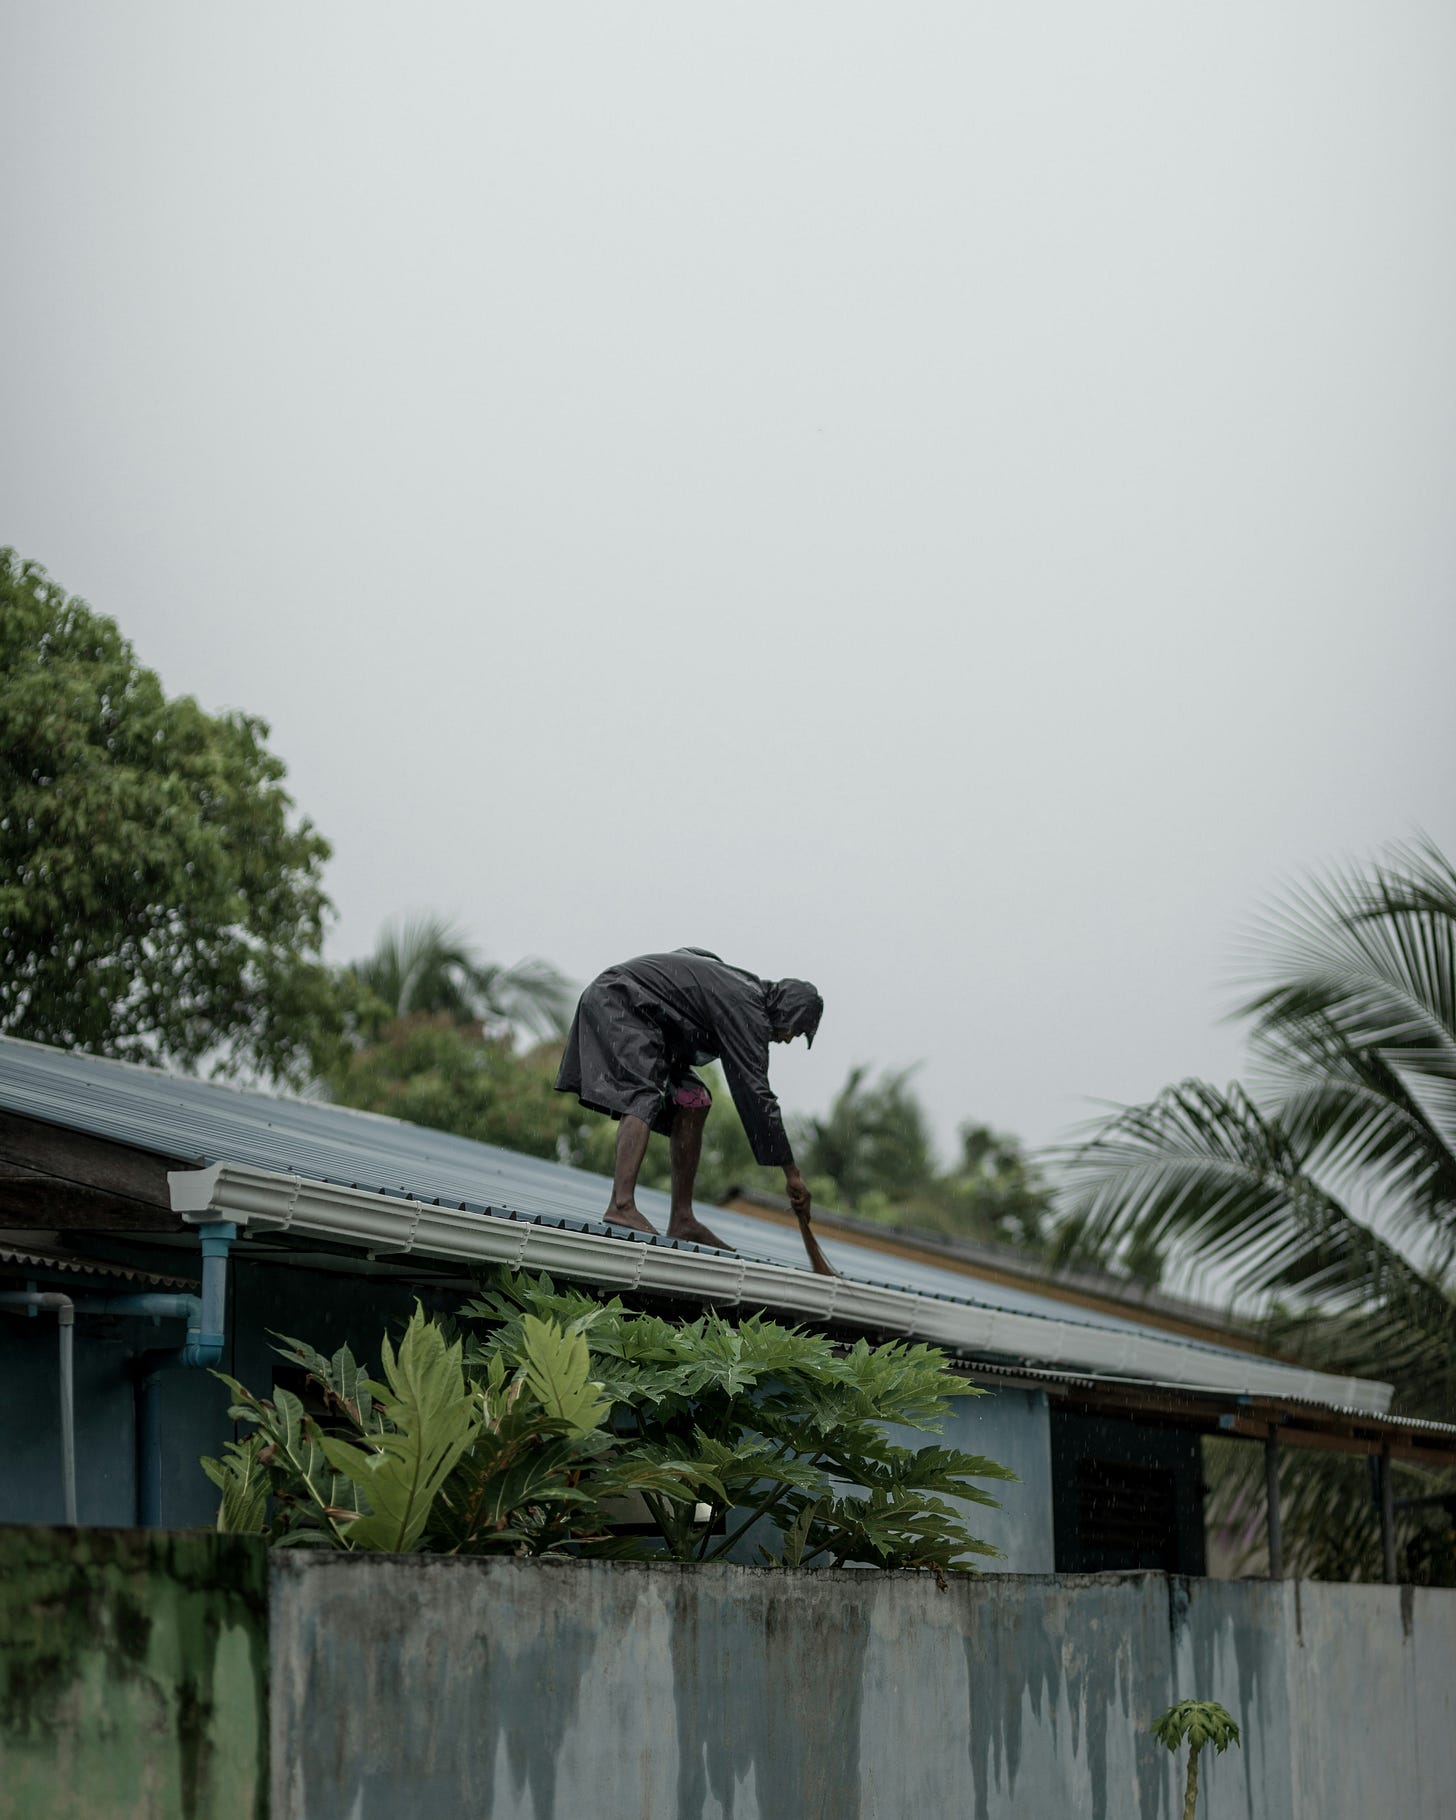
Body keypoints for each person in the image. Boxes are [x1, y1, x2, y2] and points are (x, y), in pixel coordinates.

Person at [555, 946, 823, 1254]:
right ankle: (621, 1204)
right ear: (789, 1010)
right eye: (796, 1030)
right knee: (645, 1092)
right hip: (621, 1001)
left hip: (653, 1026)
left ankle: (682, 1218)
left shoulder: (741, 991)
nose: (789, 1038)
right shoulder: (746, 1007)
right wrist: (792, 1173)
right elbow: (756, 1092)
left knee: (694, 1100)